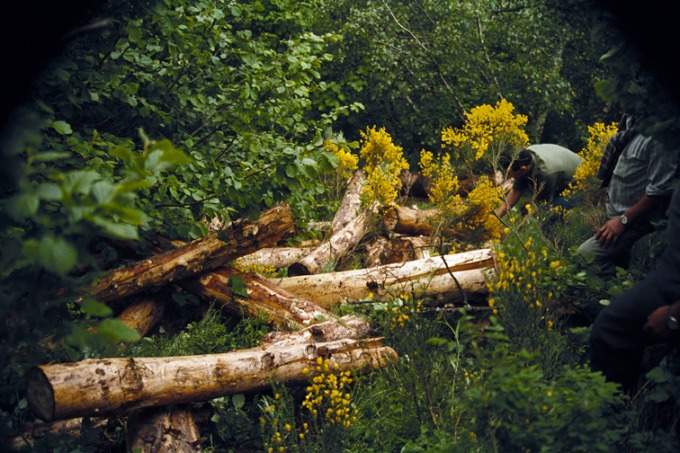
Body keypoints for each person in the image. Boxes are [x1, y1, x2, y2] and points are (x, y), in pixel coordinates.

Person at [590, 183, 680, 394]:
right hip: (670, 272)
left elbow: (657, 188)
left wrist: (674, 317)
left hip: (672, 285)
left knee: (611, 331)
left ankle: (613, 411)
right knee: (609, 328)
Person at [576, 117, 679, 276]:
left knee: (585, 256)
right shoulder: (630, 124)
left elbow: (659, 190)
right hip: (616, 215)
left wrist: (623, 220)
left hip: (634, 221)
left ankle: (616, 291)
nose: (621, 102)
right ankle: (613, 292)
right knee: (618, 263)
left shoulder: (659, 138)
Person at [495, 144, 584, 218]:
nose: (509, 177)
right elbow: (516, 190)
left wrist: (517, 230)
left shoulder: (546, 173)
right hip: (561, 171)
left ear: (523, 169)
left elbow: (541, 206)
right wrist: (496, 217)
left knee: (549, 215)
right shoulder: (524, 158)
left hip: (582, 182)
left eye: (509, 173)